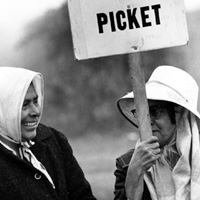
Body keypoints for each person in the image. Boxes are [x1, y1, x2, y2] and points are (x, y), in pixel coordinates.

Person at [0, 66, 97, 200]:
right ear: (3, 109)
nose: (36, 112)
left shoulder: (53, 140)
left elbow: (82, 195)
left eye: (35, 101)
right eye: (24, 105)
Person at [114, 65, 200, 200]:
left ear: (179, 116)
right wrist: (135, 172)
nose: (147, 120)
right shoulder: (127, 164)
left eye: (155, 112)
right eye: (143, 112)